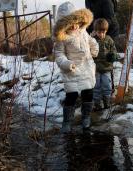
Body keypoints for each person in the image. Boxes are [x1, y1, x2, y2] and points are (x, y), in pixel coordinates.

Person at [53, 2, 99, 133]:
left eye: (76, 22)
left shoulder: (83, 31)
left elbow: (91, 41)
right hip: (71, 71)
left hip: (87, 68)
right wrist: (67, 64)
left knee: (88, 94)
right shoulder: (61, 38)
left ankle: (86, 117)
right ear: (63, 25)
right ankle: (67, 121)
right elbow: (59, 54)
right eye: (69, 24)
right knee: (71, 96)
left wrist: (95, 48)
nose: (74, 26)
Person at [91, 18, 119, 111]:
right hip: (96, 69)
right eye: (99, 32)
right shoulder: (92, 40)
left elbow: (114, 51)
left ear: (106, 31)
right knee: (96, 86)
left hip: (107, 68)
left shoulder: (109, 40)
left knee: (107, 85)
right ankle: (97, 103)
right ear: (95, 31)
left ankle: (107, 101)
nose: (101, 34)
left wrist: (113, 55)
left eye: (104, 32)